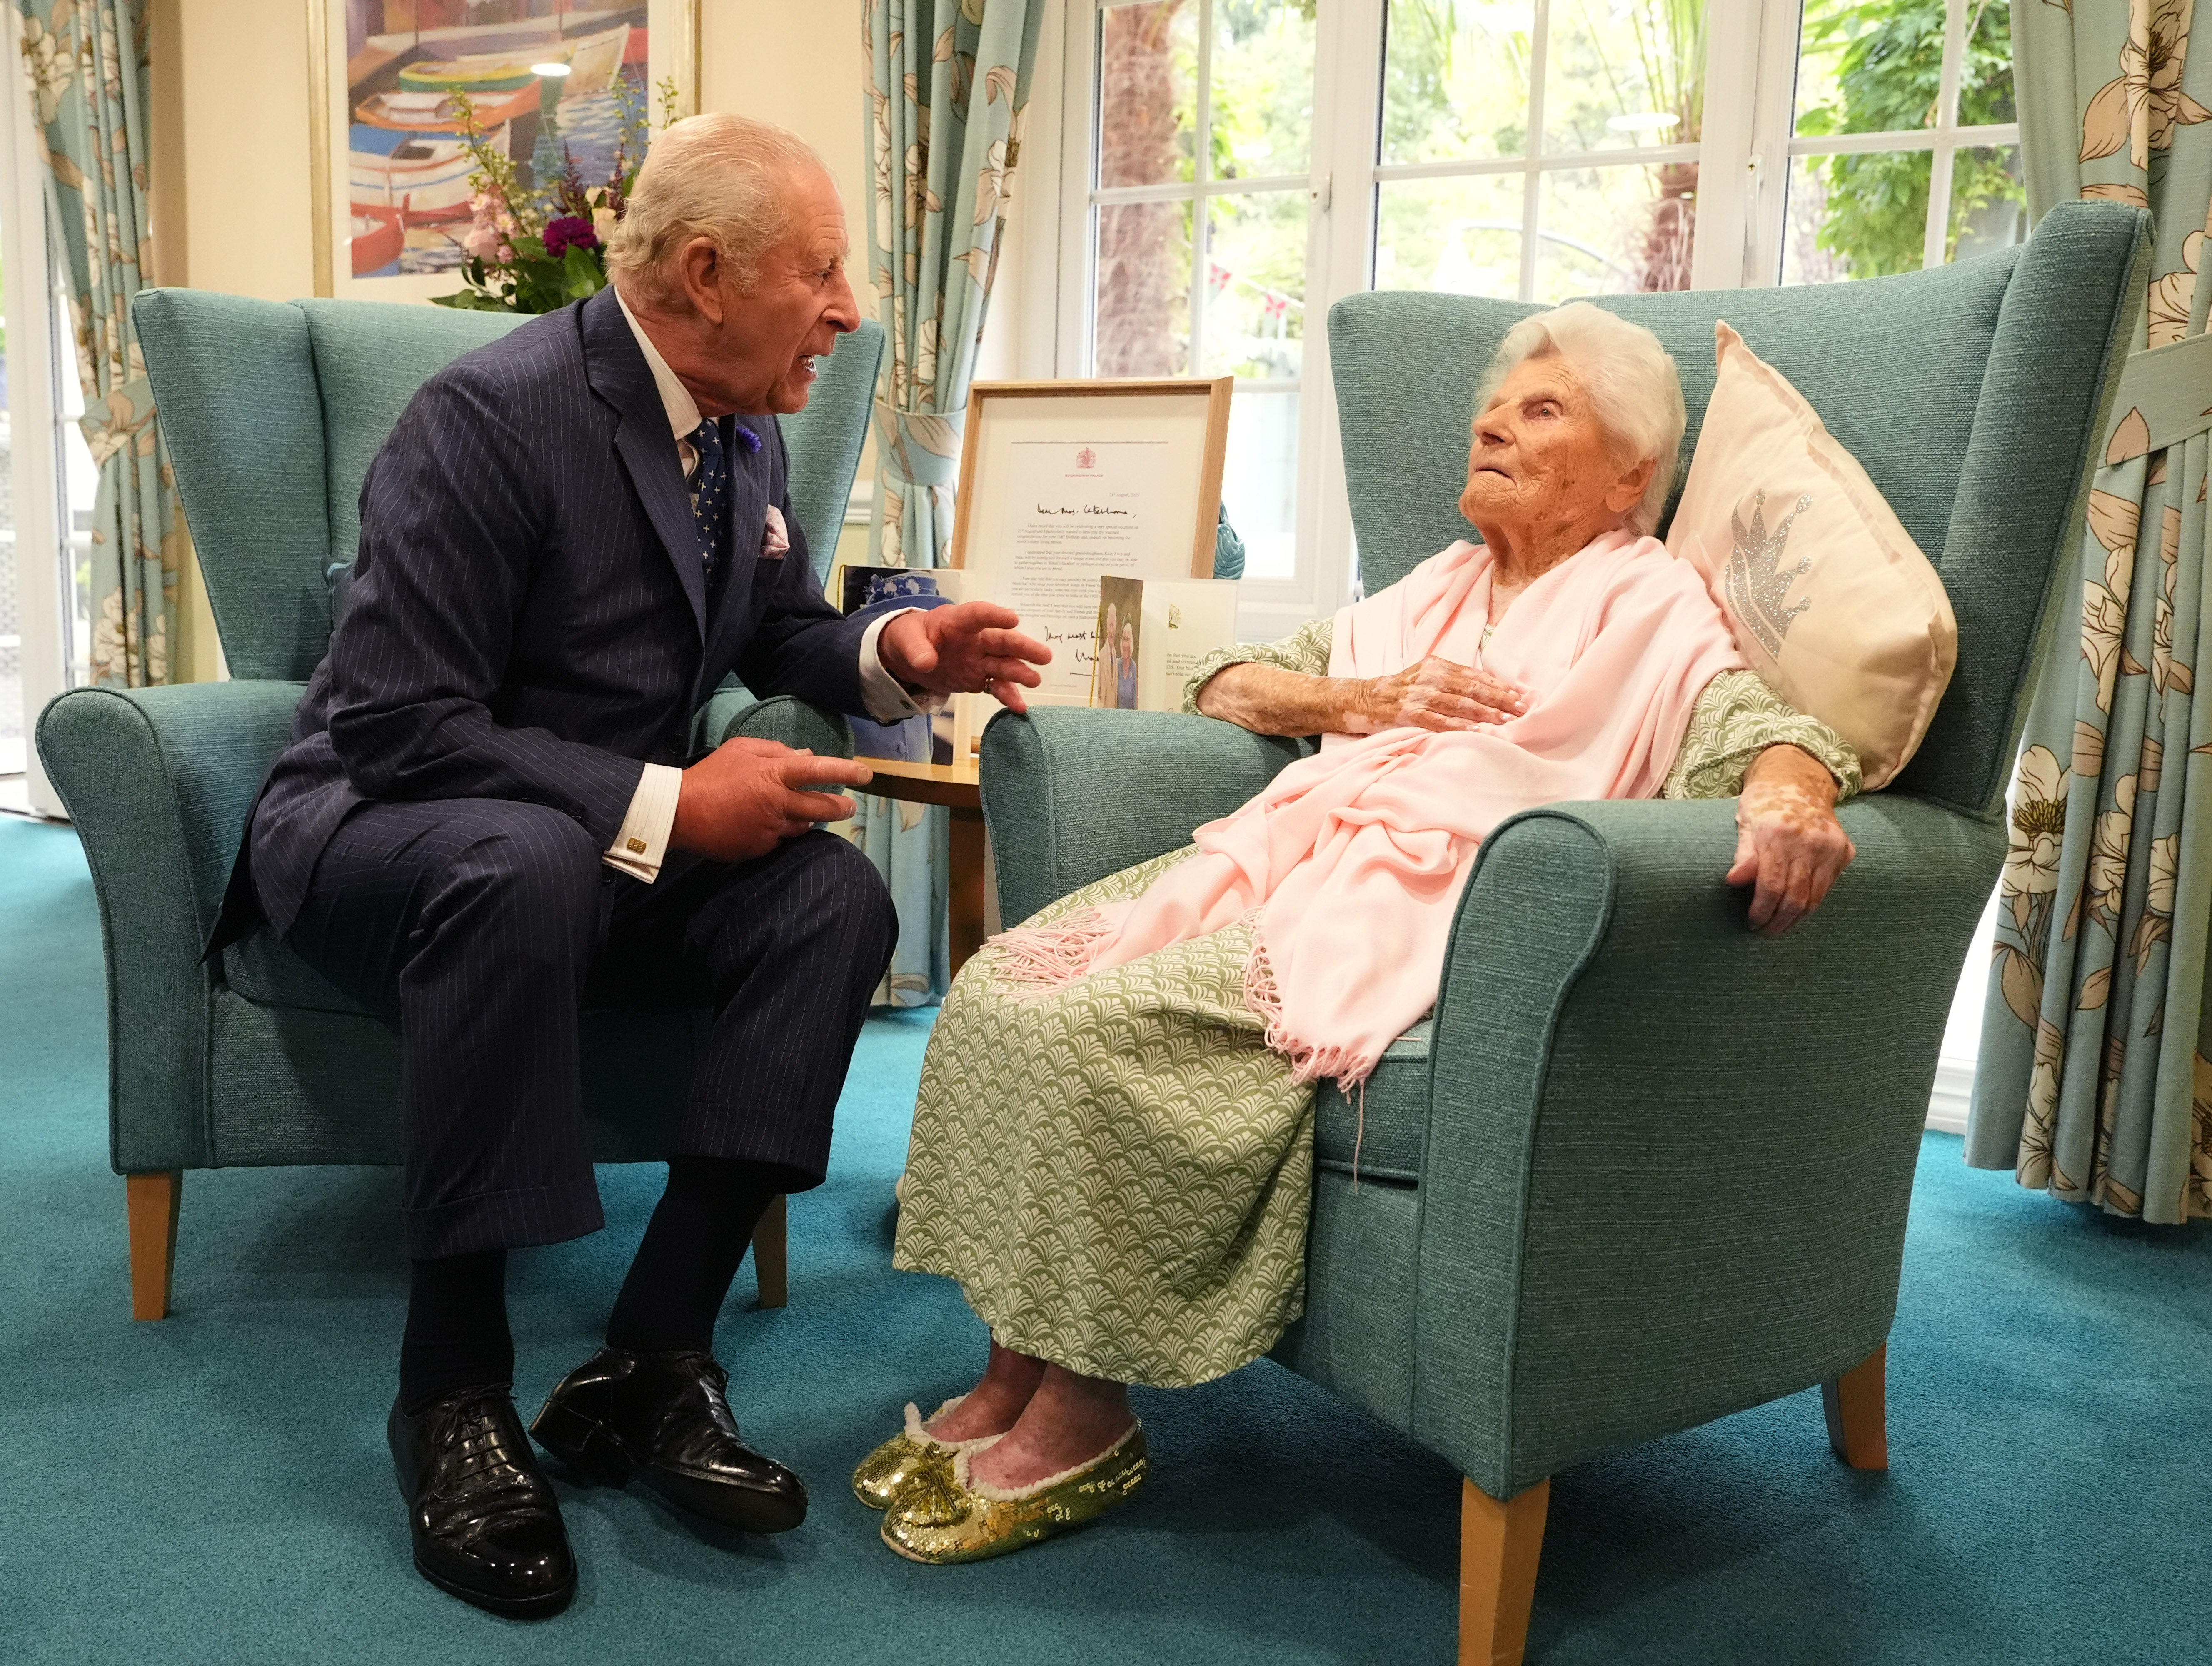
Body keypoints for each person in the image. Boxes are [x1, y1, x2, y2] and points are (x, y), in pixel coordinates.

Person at [207, 114, 1049, 1617]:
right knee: (524, 862)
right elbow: (401, 722)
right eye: (825, 270)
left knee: (828, 900)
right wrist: (667, 798)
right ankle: (451, 1395)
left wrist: (894, 648)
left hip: (573, 834)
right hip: (376, 825)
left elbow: (775, 626)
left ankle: (652, 1357)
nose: (851, 307)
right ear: (708, 273)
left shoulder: (746, 422)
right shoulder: (488, 419)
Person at [859, 303, 1860, 1564]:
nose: (1493, 421)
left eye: (1542, 411)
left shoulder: (1653, 607)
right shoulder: (1434, 591)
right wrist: (1365, 699)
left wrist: (1789, 792)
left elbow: (1759, 728)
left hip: (1419, 903)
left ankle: (1086, 1409)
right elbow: (1224, 686)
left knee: (1097, 1020)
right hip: (1295, 854)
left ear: (1630, 477)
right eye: (1495, 406)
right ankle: (1010, 1370)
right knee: (1010, 981)